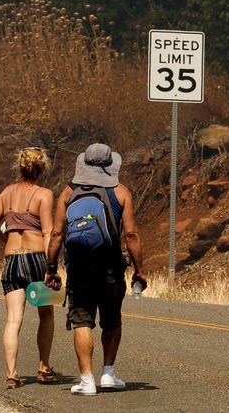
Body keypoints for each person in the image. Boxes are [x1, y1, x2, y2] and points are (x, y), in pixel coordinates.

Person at [45, 142, 146, 396]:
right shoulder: (120, 192)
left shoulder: (68, 193)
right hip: (111, 267)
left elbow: (57, 233)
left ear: (84, 163)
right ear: (111, 164)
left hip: (78, 268)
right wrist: (139, 269)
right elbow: (131, 234)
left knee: (82, 322)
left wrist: (50, 267)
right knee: (112, 320)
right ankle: (108, 374)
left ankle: (87, 380)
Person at [0, 146, 61, 390]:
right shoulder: (44, 194)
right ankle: (43, 367)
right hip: (36, 258)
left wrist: (7, 240)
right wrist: (52, 267)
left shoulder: (6, 193)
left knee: (13, 319)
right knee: (46, 314)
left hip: (12, 261)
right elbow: (48, 231)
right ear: (42, 168)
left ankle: (12, 374)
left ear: (19, 166)